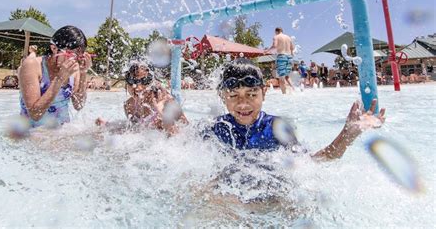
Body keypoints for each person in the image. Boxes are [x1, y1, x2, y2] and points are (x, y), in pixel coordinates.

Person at [208, 59, 385, 159]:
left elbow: (314, 161)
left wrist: (347, 135)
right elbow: (183, 142)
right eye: (233, 96)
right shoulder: (218, 127)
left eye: (251, 95)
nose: (243, 104)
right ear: (223, 97)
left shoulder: (276, 128)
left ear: (264, 93)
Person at [19, 25, 91, 128]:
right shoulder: (32, 65)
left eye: (79, 56)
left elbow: (78, 105)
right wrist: (60, 79)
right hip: (33, 133)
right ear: (54, 48)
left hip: (60, 132)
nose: (75, 60)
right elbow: (35, 114)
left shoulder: (74, 70)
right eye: (71, 54)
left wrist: (84, 72)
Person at [96, 61, 188, 134]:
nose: (137, 87)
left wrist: (162, 115)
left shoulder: (168, 102)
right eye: (132, 81)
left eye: (144, 81)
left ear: (152, 81)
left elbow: (183, 135)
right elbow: (134, 130)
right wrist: (109, 127)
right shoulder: (129, 106)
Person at [264, 27, 294, 94]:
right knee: (287, 76)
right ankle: (293, 89)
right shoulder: (288, 37)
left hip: (282, 56)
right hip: (289, 57)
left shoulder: (276, 36)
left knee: (281, 76)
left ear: (276, 31)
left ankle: (284, 95)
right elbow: (292, 48)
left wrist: (267, 51)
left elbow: (275, 46)